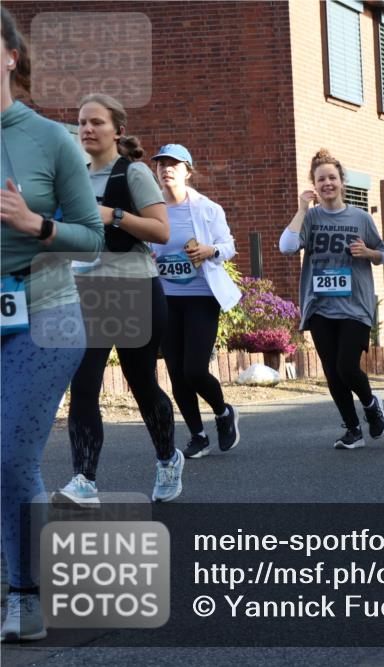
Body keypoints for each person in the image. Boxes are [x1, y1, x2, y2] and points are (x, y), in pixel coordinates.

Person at [1, 6, 104, 641]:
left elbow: (92, 237)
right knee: (12, 464)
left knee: (9, 454)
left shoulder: (48, 138)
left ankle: (26, 595)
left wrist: (36, 225)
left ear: (11, 56)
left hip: (46, 312)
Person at [54, 93, 177, 508]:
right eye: (82, 122)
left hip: (133, 289)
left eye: (97, 122)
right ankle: (84, 480)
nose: (87, 129)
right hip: (85, 292)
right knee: (84, 384)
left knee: (141, 384)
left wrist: (114, 216)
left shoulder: (134, 173)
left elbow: (162, 232)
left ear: (117, 131)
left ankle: (167, 457)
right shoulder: (71, 176)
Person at [280, 150, 384, 448]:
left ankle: (369, 404)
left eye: (332, 178)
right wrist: (302, 209)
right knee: (332, 372)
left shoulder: (361, 218)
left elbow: (383, 254)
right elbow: (287, 246)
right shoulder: (311, 217)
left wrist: (368, 253)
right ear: (314, 185)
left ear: (342, 182)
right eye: (321, 179)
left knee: (347, 367)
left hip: (355, 305)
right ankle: (353, 430)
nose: (327, 183)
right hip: (320, 305)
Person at [149, 144, 242, 458]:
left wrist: (209, 251)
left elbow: (228, 246)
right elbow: (141, 244)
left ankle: (222, 412)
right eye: (161, 164)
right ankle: (198, 435)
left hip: (201, 296)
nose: (166, 169)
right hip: (165, 298)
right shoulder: (150, 208)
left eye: (174, 164)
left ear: (188, 171)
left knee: (194, 369)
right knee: (176, 371)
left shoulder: (207, 208)